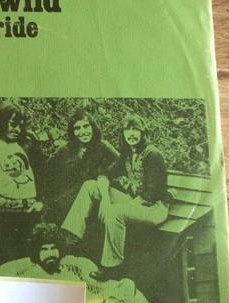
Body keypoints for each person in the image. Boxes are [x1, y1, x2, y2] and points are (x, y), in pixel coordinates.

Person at [61, 113, 170, 275]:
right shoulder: (127, 154)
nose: (131, 134)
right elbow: (104, 174)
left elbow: (150, 195)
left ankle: (112, 266)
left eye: (135, 130)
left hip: (154, 208)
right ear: (123, 133)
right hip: (135, 202)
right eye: (127, 130)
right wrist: (105, 200)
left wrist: (115, 207)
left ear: (143, 133)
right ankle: (71, 239)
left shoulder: (152, 154)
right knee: (90, 186)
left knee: (115, 212)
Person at [0, 222, 154, 303]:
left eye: (53, 248)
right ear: (36, 252)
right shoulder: (31, 271)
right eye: (44, 250)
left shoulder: (68, 264)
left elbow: (89, 271)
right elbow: (0, 271)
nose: (50, 254)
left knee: (129, 288)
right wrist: (31, 260)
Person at [0, 102, 44, 267]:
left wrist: (41, 201)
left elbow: (43, 174)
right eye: (12, 124)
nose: (16, 129)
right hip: (1, 214)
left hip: (29, 212)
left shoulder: (29, 143)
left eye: (20, 125)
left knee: (29, 260)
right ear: (2, 122)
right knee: (6, 261)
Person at [43, 109, 119, 223]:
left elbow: (121, 162)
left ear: (92, 127)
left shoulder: (103, 146)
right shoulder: (64, 149)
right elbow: (46, 173)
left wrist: (105, 172)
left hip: (92, 201)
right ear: (72, 131)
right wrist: (46, 199)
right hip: (66, 202)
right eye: (77, 128)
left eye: (86, 126)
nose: (83, 132)